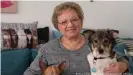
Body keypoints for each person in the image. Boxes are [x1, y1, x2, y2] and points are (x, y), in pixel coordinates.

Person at [24, 2, 128, 75]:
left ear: (81, 22)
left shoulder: (95, 42)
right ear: (57, 26)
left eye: (74, 19)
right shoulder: (47, 49)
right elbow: (30, 73)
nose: (70, 25)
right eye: (64, 22)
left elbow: (121, 60)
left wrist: (124, 66)